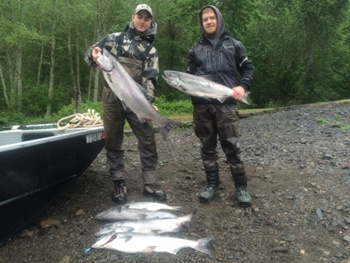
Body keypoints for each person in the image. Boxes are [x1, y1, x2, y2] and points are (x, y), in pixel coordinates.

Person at [84, 4, 167, 204]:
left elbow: (151, 79)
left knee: (147, 138)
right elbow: (88, 56)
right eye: (140, 16)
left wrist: (149, 104)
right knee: (113, 139)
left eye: (147, 18)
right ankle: (118, 182)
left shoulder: (151, 50)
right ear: (133, 17)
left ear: (150, 22)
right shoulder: (114, 39)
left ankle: (150, 182)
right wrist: (95, 57)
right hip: (112, 98)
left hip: (136, 99)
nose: (143, 21)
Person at [187, 5, 254, 207]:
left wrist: (242, 87)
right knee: (207, 147)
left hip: (227, 105)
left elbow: (248, 69)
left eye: (212, 18)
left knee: (232, 146)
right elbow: (188, 78)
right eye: (205, 19)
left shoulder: (234, 45)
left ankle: (241, 187)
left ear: (219, 20)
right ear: (201, 23)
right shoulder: (194, 49)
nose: (208, 21)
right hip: (202, 108)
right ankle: (212, 185)